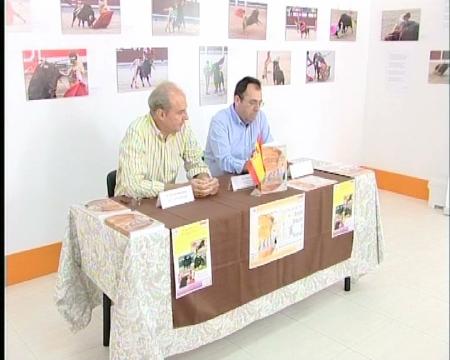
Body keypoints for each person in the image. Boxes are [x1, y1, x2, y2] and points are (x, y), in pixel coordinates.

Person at [115, 81, 219, 199]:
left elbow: (196, 162)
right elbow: (133, 186)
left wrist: (204, 180)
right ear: (161, 115)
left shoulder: (183, 128)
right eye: (180, 112)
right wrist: (182, 188)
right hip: (131, 205)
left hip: (165, 203)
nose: (186, 117)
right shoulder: (137, 132)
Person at [204, 76, 273, 176]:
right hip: (222, 183)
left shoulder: (260, 117)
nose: (257, 108)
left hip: (248, 179)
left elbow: (269, 148)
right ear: (237, 100)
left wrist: (276, 158)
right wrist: (248, 165)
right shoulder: (219, 121)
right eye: (252, 103)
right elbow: (224, 160)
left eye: (259, 103)